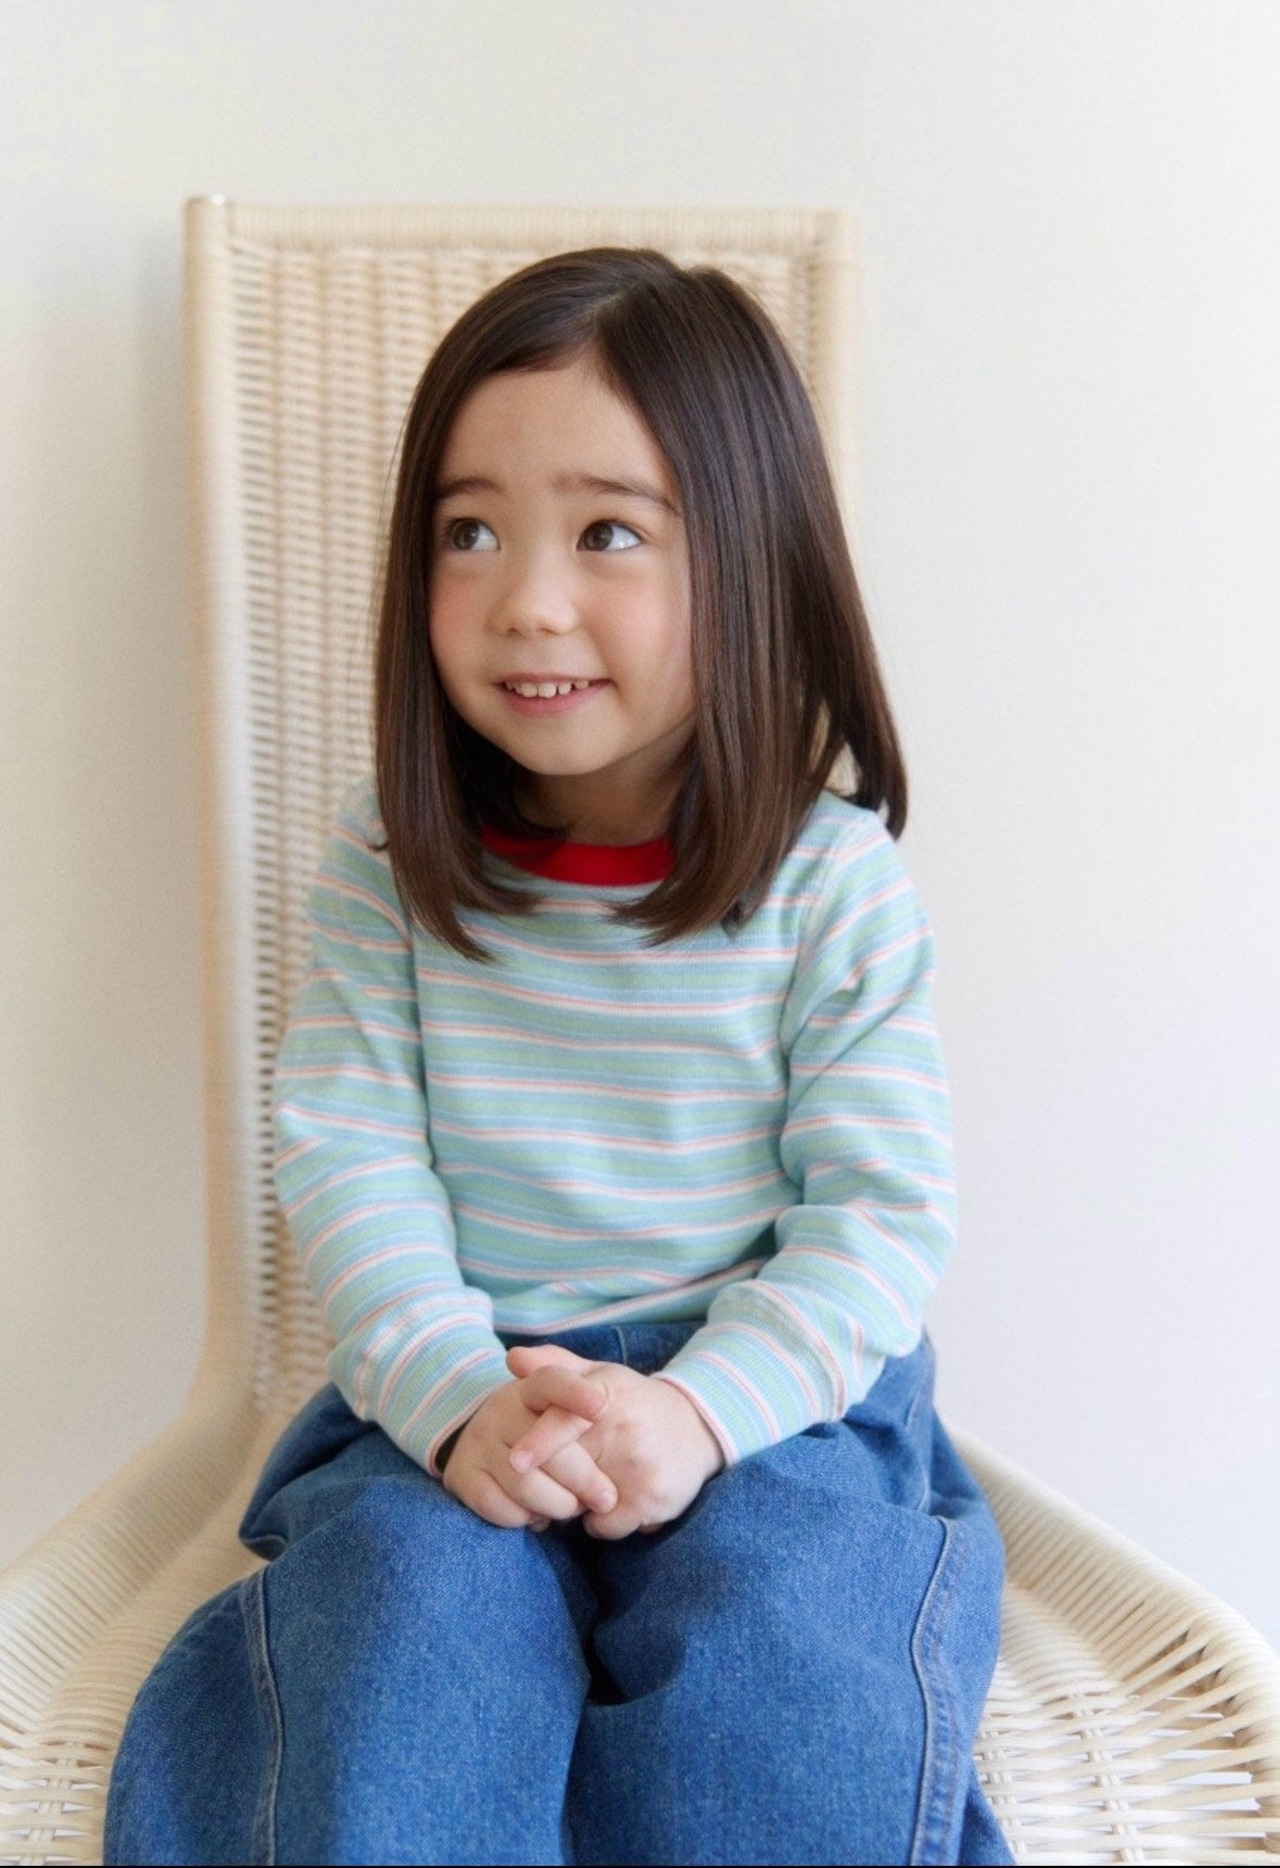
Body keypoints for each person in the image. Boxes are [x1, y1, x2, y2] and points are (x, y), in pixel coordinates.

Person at [105, 247, 1012, 1867]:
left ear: (753, 563)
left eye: (607, 533)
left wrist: (699, 1415)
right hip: (461, 1385)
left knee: (791, 1657)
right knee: (405, 1629)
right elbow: (354, 1168)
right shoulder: (387, 865)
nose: (526, 599)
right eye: (469, 532)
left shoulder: (831, 881)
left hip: (770, 1406)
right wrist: (462, 1401)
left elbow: (878, 1218)